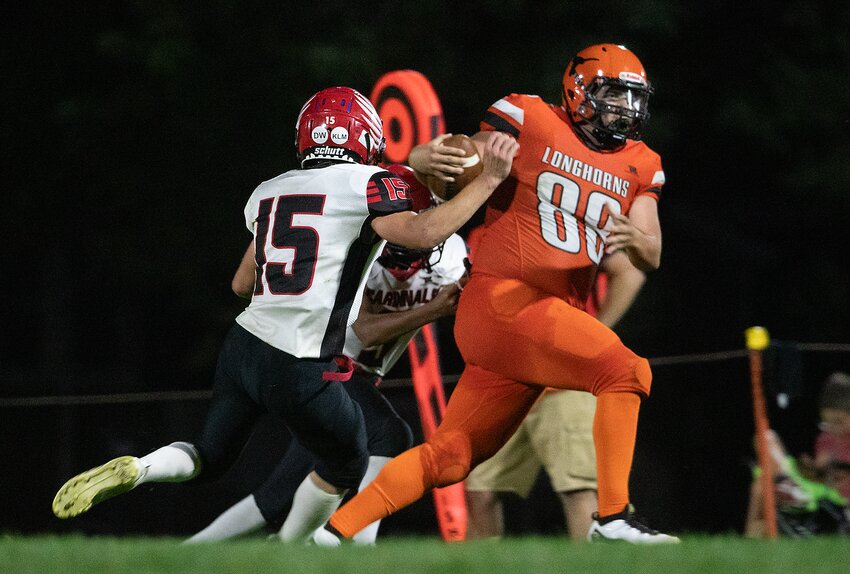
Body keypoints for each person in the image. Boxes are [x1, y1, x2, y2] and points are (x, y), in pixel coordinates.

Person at [51, 87, 518, 543]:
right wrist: (490, 180)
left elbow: (239, 284)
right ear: (365, 138)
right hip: (301, 358)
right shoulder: (371, 184)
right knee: (354, 459)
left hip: (242, 348)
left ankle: (141, 467)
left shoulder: (271, 190)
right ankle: (301, 552)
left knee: (209, 457)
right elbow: (422, 233)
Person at [324, 44, 679, 544]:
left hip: (535, 322)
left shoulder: (641, 163)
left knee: (451, 457)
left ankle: (333, 534)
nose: (625, 108)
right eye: (613, 94)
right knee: (628, 370)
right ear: (579, 91)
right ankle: (613, 517)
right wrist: (422, 159)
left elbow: (652, 251)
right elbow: (451, 168)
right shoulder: (529, 116)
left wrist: (636, 240)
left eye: (633, 97)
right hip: (505, 300)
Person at [187, 167, 468, 544]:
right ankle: (350, 540)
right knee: (389, 434)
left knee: (279, 496)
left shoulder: (449, 251)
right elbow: (362, 329)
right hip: (326, 365)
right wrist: (433, 309)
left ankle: (197, 550)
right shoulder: (359, 245)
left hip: (354, 374)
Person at [464, 249, 646, 540]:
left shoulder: (560, 214)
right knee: (479, 491)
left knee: (580, 489)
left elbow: (630, 270)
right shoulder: (482, 230)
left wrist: (594, 336)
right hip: (506, 384)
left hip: (567, 386)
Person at [744, 372, 850, 537]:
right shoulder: (825, 438)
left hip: (837, 502)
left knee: (762, 484)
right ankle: (786, 484)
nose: (833, 428)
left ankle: (786, 489)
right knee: (765, 438)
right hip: (813, 493)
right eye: (828, 423)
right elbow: (821, 474)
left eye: (839, 421)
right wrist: (811, 468)